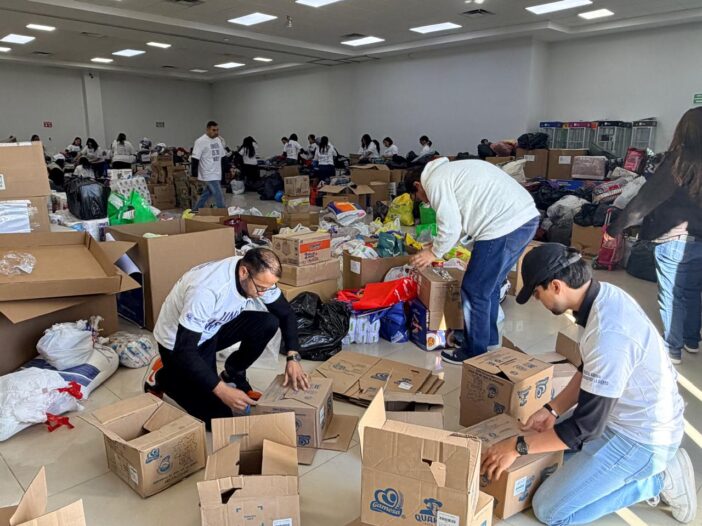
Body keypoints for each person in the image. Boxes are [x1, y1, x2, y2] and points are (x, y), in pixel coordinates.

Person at [481, 243, 696, 525]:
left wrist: (516, 446)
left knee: (550, 509)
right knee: (548, 459)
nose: (537, 301)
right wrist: (552, 409)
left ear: (556, 286)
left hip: (641, 439)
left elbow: (585, 427)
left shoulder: (609, 334)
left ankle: (659, 479)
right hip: (617, 417)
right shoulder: (600, 297)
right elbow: (588, 369)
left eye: (537, 293)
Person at [146, 248, 310, 428]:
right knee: (218, 419)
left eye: (268, 288)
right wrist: (222, 390)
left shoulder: (256, 274)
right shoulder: (206, 290)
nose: (263, 294)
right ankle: (162, 377)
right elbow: (185, 350)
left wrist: (293, 357)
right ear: (244, 272)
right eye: (261, 288)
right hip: (178, 344)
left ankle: (232, 374)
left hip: (212, 329)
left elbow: (286, 314)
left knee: (268, 323)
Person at [405, 158, 539, 363]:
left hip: (503, 226)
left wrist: (433, 253)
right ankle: (489, 342)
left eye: (419, 198)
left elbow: (450, 227)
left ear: (418, 185)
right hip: (525, 220)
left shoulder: (434, 181)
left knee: (474, 289)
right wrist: (437, 245)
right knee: (489, 287)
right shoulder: (450, 172)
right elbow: (461, 220)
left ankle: (473, 353)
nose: (426, 202)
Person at [606, 107, 702, 365]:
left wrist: (615, 228)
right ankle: (692, 340)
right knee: (693, 290)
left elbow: (645, 201)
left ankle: (672, 348)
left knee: (672, 294)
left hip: (674, 238)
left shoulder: (678, 160)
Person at [192, 121, 226, 210]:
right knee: (218, 194)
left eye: (217, 130)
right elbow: (195, 158)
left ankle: (195, 211)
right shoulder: (200, 141)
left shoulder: (218, 140)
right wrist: (194, 174)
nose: (216, 132)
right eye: (213, 130)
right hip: (208, 173)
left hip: (217, 172)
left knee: (207, 193)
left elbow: (222, 156)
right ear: (207, 130)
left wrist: (226, 169)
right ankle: (223, 213)